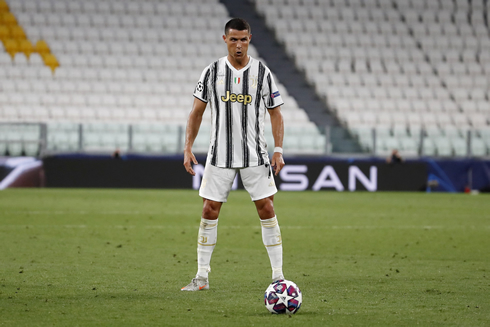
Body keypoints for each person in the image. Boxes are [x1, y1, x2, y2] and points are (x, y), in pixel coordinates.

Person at [181, 18, 286, 291]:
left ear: (250, 38)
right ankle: (201, 276)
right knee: (208, 209)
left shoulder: (262, 72)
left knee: (267, 208)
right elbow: (196, 113)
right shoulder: (212, 71)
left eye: (243, 39)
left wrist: (278, 149)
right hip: (220, 155)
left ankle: (278, 276)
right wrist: (188, 146)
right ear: (224, 40)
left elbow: (276, 114)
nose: (238, 45)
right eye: (233, 39)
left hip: (255, 154)